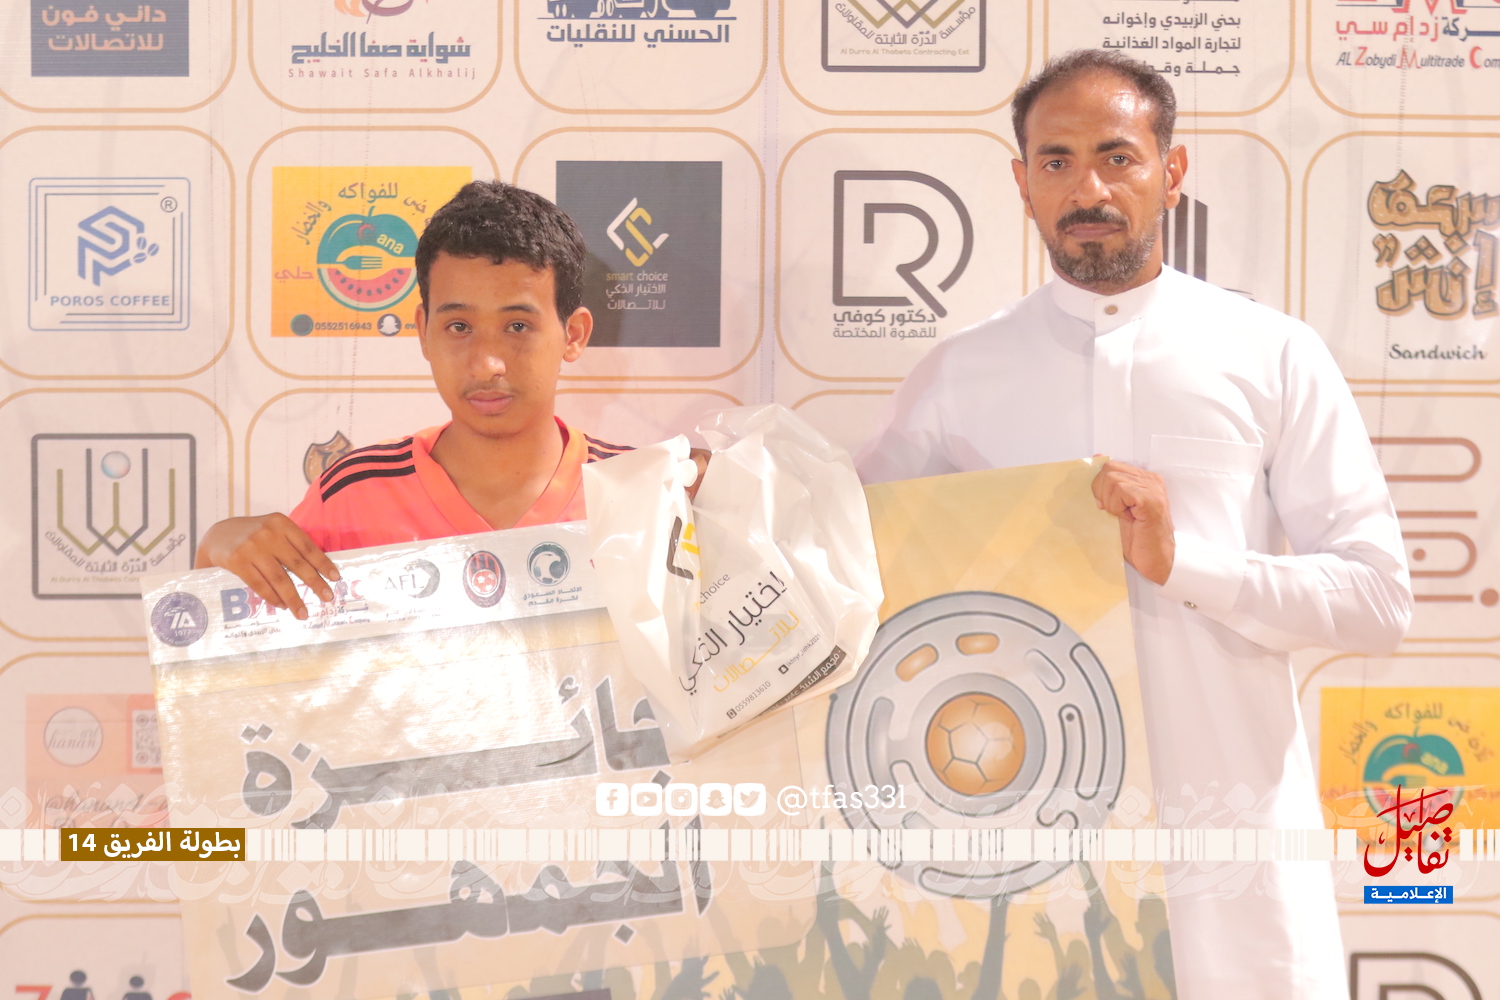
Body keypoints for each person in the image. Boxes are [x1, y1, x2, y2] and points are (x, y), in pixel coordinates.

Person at [856, 49, 1411, 998]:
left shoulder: (1273, 355)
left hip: (1232, 859)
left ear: (1171, 171)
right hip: (1025, 878)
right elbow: (849, 572)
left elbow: (1376, 601)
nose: (1089, 190)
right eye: (1058, 161)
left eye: (1117, 157)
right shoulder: (958, 377)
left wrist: (1183, 562)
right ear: (1022, 184)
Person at [196, 181, 642, 619]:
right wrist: (215, 552)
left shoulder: (643, 492)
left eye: (518, 327)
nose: (487, 365)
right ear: (424, 332)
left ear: (573, 334)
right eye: (459, 327)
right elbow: (240, 642)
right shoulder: (352, 495)